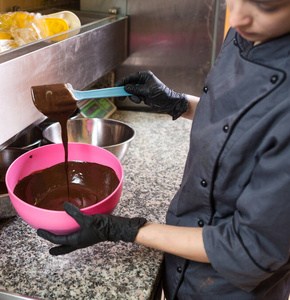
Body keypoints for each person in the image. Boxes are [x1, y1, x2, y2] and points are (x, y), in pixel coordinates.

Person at [37, 0, 290, 298]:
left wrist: (126, 230)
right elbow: (238, 124)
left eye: (267, 6)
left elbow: (249, 249)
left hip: (230, 288)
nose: (236, 18)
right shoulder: (247, 31)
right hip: (182, 251)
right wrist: (177, 102)